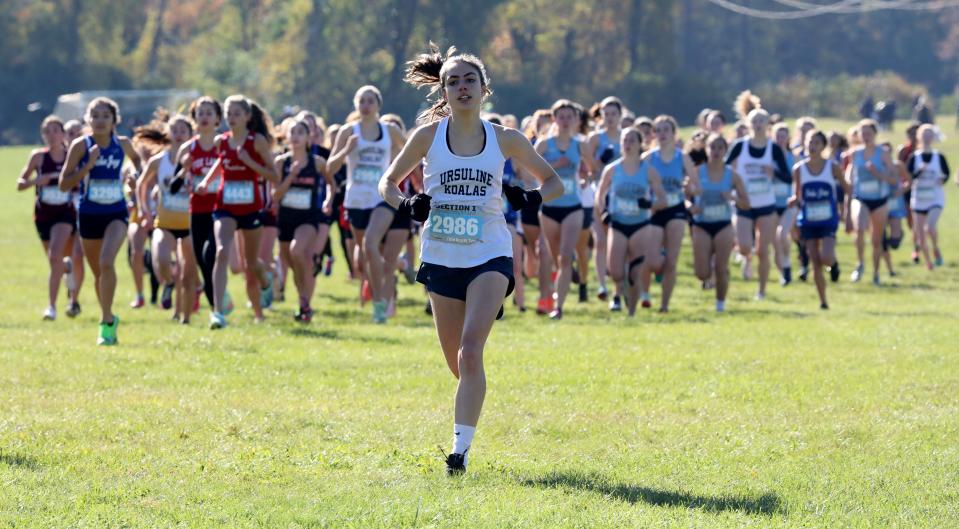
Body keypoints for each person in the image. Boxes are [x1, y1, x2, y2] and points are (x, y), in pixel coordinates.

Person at [379, 44, 562, 475]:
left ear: (484, 89)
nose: (462, 87)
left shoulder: (507, 139)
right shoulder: (427, 137)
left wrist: (528, 196)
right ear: (444, 91)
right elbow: (388, 183)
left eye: (470, 81)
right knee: (457, 364)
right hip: (441, 255)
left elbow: (554, 182)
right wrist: (407, 204)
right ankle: (471, 404)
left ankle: (458, 454)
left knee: (470, 351)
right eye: (453, 81)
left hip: (490, 254)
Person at [58, 97, 142, 345]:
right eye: (95, 115)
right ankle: (108, 316)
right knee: (99, 273)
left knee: (107, 262)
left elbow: (137, 162)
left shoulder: (123, 144)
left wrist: (133, 175)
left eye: (105, 116)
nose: (100, 120)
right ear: (88, 119)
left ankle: (105, 323)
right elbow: (64, 184)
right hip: (89, 214)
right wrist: (88, 166)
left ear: (115, 120)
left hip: (116, 212)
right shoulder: (80, 146)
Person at [195, 95, 278, 328]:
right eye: (228, 114)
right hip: (225, 206)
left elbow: (273, 175)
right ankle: (218, 312)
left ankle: (266, 281)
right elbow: (220, 163)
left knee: (251, 264)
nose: (231, 118)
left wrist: (248, 162)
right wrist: (206, 182)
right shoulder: (222, 141)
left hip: (251, 208)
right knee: (221, 251)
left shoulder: (257, 141)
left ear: (247, 117)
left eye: (237, 114)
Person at [327, 86, 406, 323]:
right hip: (355, 200)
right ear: (356, 105)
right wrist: (346, 150)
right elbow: (330, 168)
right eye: (361, 101)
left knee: (371, 242)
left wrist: (400, 170)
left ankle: (380, 301)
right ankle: (378, 292)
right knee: (364, 253)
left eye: (370, 101)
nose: (366, 105)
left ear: (378, 105)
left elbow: (413, 153)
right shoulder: (348, 131)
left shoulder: (389, 130)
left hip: (381, 197)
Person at [725, 105, 791, 300]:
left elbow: (788, 177)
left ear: (768, 125)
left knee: (764, 251)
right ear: (748, 124)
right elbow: (725, 169)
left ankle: (761, 291)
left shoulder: (773, 149)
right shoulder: (740, 145)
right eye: (754, 121)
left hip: (766, 205)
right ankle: (746, 258)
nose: (758, 124)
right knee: (745, 246)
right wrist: (733, 185)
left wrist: (774, 173)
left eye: (761, 121)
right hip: (744, 203)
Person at [536, 99, 593, 320]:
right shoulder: (543, 144)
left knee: (566, 257)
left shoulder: (581, 145)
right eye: (562, 116)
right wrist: (552, 169)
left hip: (573, 207)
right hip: (550, 208)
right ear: (554, 119)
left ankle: (559, 306)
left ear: (576, 120)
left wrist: (586, 177)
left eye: (570, 116)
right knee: (552, 256)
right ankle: (548, 296)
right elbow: (530, 174)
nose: (566, 121)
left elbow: (592, 169)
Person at [137, 115, 197, 323]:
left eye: (183, 130)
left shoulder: (196, 160)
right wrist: (144, 209)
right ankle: (169, 284)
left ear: (191, 135)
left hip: (191, 224)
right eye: (175, 130)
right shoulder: (158, 161)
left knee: (187, 274)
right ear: (168, 134)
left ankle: (184, 317)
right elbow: (142, 184)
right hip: (165, 222)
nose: (179, 134)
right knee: (161, 261)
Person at [17, 115, 77, 320]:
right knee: (56, 262)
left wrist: (68, 182)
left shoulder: (72, 156)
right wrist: (36, 181)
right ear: (43, 135)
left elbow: (82, 181)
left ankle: (51, 307)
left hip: (65, 213)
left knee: (54, 256)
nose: (51, 135)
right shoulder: (38, 157)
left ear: (63, 134)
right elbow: (20, 183)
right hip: (43, 215)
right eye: (47, 131)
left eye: (55, 131)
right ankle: (68, 267)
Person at [594, 128, 659, 316]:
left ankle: (631, 311)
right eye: (625, 140)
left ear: (640, 144)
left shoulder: (648, 170)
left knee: (634, 273)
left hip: (640, 224)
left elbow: (662, 198)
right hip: (618, 222)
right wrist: (603, 210)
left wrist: (649, 203)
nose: (628, 144)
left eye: (632, 141)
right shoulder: (612, 169)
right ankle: (617, 292)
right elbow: (600, 193)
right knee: (615, 271)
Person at [639, 115, 699, 313]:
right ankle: (645, 294)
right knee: (651, 260)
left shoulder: (682, 157)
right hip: (655, 210)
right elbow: (636, 179)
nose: (663, 134)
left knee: (671, 261)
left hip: (676, 210)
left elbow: (697, 186)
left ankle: (664, 305)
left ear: (674, 134)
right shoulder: (648, 158)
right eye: (659, 130)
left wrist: (689, 187)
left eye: (667, 130)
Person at [274, 119, 332, 321]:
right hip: (285, 219)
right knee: (293, 262)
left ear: (308, 137)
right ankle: (303, 301)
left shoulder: (317, 163)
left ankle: (304, 301)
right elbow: (276, 195)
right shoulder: (282, 162)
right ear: (287, 136)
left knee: (297, 251)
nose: (296, 136)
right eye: (293, 132)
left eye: (301, 132)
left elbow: (331, 185)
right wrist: (291, 176)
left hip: (308, 218)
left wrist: (328, 200)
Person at [176, 96, 226, 313]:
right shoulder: (188, 148)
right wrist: (183, 170)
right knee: (201, 260)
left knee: (211, 254)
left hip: (221, 210)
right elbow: (174, 186)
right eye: (200, 113)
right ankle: (217, 302)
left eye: (209, 113)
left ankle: (217, 307)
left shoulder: (225, 144)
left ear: (217, 118)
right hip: (196, 210)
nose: (204, 117)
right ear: (194, 118)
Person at [689, 133, 749, 312]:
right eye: (712, 147)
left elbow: (746, 203)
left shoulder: (732, 175)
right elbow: (684, 195)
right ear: (706, 149)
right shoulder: (698, 172)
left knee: (722, 267)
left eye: (720, 148)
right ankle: (709, 276)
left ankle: (720, 304)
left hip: (723, 223)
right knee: (702, 273)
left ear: (725, 150)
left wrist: (732, 197)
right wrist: (690, 206)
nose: (716, 151)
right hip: (701, 223)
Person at [792, 130, 847, 308]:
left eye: (816, 143)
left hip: (828, 219)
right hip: (808, 220)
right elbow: (797, 194)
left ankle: (834, 264)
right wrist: (792, 202)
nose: (812, 146)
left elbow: (847, 189)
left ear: (823, 146)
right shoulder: (799, 169)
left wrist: (845, 212)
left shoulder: (832, 167)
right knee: (815, 262)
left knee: (826, 258)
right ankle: (823, 301)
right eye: (809, 142)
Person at [845, 119, 897, 285]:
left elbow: (894, 179)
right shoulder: (855, 153)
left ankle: (876, 273)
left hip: (879, 200)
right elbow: (850, 175)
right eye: (863, 133)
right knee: (859, 227)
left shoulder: (883, 153)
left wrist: (878, 174)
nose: (866, 136)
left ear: (875, 134)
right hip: (861, 198)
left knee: (876, 240)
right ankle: (859, 263)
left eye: (869, 133)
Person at [586, 96, 624, 302]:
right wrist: (600, 162)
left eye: (613, 114)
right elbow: (588, 169)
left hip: (622, 197)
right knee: (600, 241)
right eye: (606, 114)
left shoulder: (627, 137)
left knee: (619, 243)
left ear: (620, 115)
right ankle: (602, 285)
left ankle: (619, 288)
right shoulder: (595, 139)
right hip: (599, 194)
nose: (609, 118)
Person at [907, 124, 950, 269]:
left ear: (933, 137)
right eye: (924, 134)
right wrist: (919, 172)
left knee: (930, 227)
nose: (926, 137)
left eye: (929, 134)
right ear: (919, 136)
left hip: (935, 198)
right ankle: (928, 261)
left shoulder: (939, 156)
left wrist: (942, 180)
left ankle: (935, 248)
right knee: (920, 233)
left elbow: (946, 174)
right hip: (919, 199)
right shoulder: (914, 157)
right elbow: (908, 177)